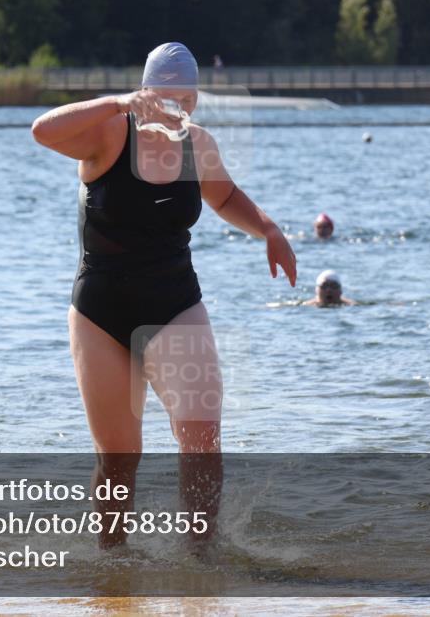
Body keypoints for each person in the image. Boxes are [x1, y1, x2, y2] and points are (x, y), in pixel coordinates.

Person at [31, 42, 297, 547]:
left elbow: (224, 195)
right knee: (118, 457)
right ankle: (113, 564)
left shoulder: (198, 145)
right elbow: (42, 131)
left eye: (187, 98)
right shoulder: (110, 133)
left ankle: (201, 556)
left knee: (202, 438)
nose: (178, 108)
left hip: (175, 303)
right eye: (166, 97)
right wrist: (118, 103)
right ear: (145, 92)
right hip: (100, 313)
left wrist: (268, 228)